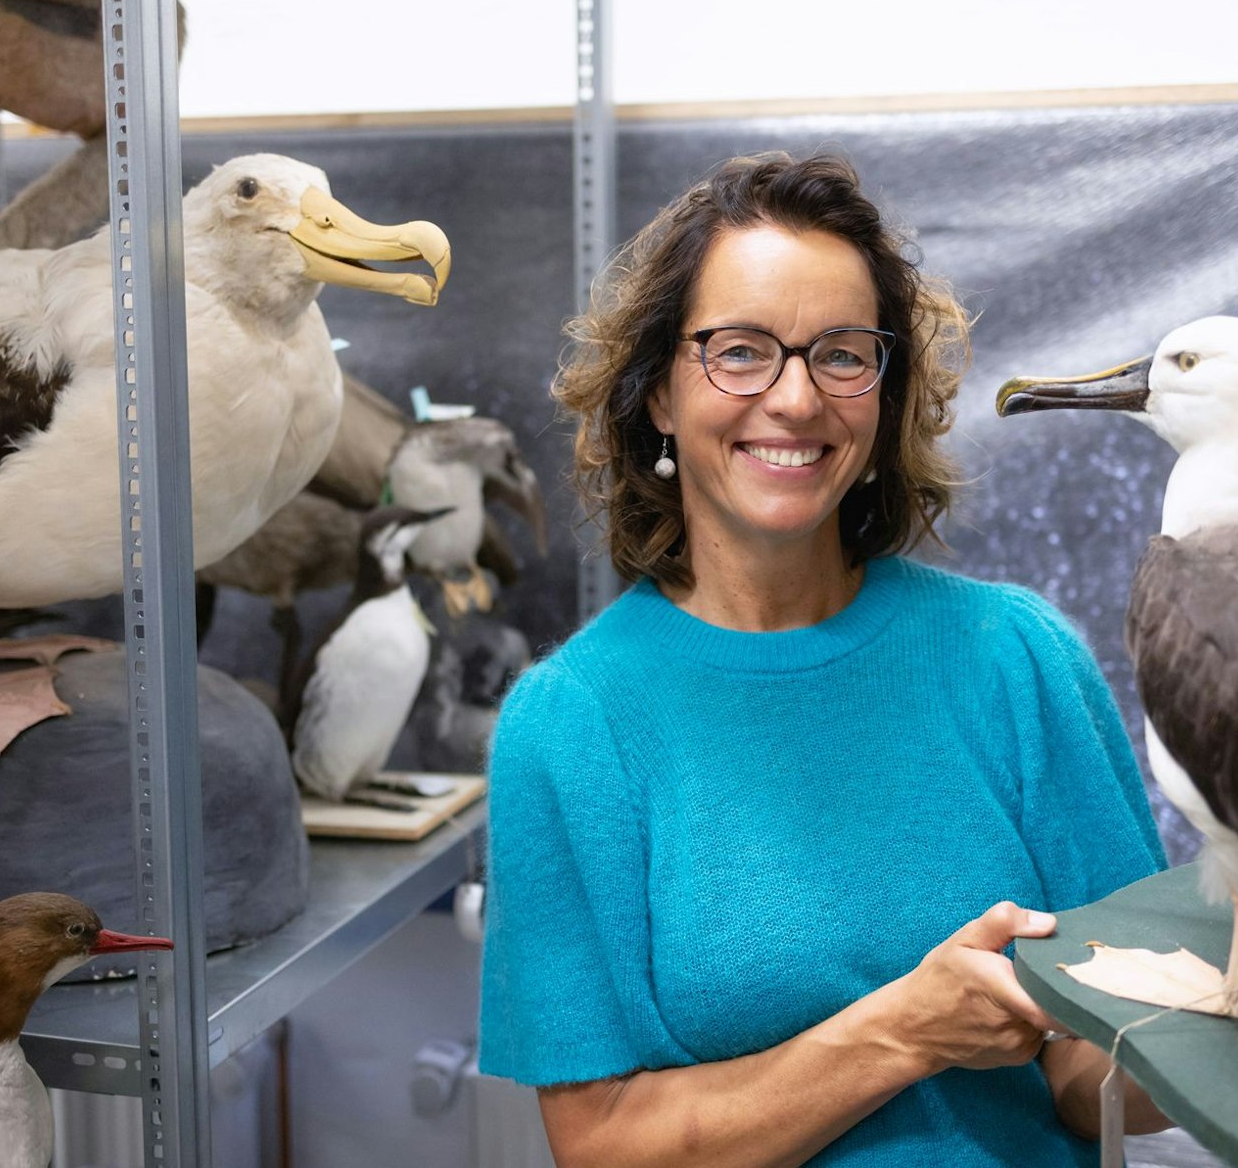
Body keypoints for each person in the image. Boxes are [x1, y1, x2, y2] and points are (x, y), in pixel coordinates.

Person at [479, 152, 1170, 1167]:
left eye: (841, 353)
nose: (795, 400)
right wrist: (904, 1029)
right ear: (658, 393)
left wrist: (1235, 1012)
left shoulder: (1016, 659)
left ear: (882, 393)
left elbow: (1095, 1078)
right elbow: (605, 1146)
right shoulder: (572, 722)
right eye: (739, 351)